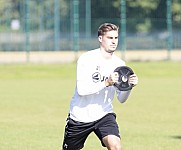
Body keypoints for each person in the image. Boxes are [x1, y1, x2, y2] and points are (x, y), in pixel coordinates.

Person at [62, 23, 138, 150]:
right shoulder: (87, 59)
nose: (114, 41)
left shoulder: (119, 64)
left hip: (104, 114)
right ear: (100, 38)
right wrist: (106, 83)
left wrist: (129, 86)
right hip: (80, 116)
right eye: (110, 38)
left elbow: (121, 99)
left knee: (115, 147)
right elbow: (82, 90)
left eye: (116, 38)